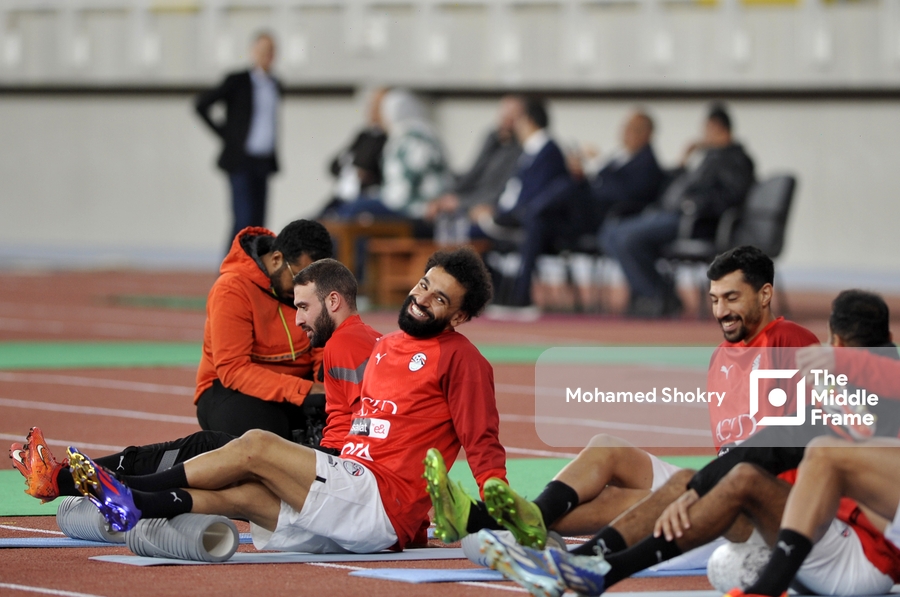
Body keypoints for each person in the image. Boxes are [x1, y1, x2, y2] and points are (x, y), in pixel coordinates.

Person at [59, 248, 506, 555]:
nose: (422, 299)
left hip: (380, 501)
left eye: (439, 298)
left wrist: (498, 505)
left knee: (255, 444)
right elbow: (352, 419)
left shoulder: (463, 360)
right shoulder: (386, 345)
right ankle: (138, 506)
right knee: (247, 497)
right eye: (424, 285)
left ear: (461, 316)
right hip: (355, 494)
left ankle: (132, 493)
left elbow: (483, 444)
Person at [477, 291, 900, 597]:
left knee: (743, 478)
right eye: (716, 299)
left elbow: (778, 444)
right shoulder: (845, 387)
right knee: (690, 478)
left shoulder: (863, 391)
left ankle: (589, 563)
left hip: (859, 554)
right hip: (812, 525)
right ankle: (582, 561)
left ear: (837, 344)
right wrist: (698, 486)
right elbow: (774, 442)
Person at [425, 245, 818, 548]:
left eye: (732, 298)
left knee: (623, 502)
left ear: (766, 295)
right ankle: (524, 519)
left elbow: (805, 442)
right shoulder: (722, 357)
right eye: (715, 300)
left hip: (755, 502)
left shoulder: (791, 342)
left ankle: (482, 522)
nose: (721, 311)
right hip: (717, 481)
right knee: (605, 448)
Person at [9, 259, 380, 504]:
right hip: (345, 472)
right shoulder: (368, 341)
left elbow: (358, 431)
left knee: (217, 453)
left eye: (303, 308)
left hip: (336, 475)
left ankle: (79, 484)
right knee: (221, 467)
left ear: (333, 301)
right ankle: (76, 483)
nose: (298, 320)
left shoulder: (344, 343)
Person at [603, 103, 755, 318]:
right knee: (611, 233)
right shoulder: (711, 156)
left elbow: (730, 197)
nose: (704, 135)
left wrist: (692, 204)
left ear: (717, 127)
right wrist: (684, 162)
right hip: (673, 214)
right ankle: (656, 292)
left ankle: (657, 294)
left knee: (626, 237)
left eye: (707, 129)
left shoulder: (735, 159)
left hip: (693, 221)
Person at [195, 220, 333, 443]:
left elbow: (323, 350)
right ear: (277, 259)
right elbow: (233, 370)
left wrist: (327, 389)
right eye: (299, 279)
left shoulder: (311, 285)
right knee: (269, 444)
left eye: (316, 283)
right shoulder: (231, 289)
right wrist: (305, 391)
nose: (306, 291)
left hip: (299, 389)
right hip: (232, 390)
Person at [470, 96, 570, 310]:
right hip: (513, 215)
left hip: (534, 221)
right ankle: (496, 290)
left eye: (519, 120)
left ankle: (518, 297)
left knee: (483, 230)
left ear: (529, 121)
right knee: (469, 237)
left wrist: (499, 214)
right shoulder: (529, 150)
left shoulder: (549, 151)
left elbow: (536, 197)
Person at [195, 32, 282, 249]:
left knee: (259, 225)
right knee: (243, 221)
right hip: (241, 161)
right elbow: (202, 105)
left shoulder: (275, 84)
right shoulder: (238, 81)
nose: (266, 56)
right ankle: (228, 274)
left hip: (263, 161)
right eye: (262, 51)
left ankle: (253, 275)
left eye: (270, 51)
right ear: (253, 52)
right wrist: (227, 136)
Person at [424, 95, 525, 233]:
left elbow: (499, 191)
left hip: (485, 209)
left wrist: (461, 203)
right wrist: (445, 197)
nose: (505, 121)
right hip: (468, 203)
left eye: (511, 116)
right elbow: (472, 174)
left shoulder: (521, 151)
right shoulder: (493, 140)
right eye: (503, 114)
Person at [320, 87, 389, 216]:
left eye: (377, 107)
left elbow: (367, 166)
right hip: (342, 196)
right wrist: (352, 169)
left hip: (367, 199)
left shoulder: (388, 139)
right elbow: (334, 166)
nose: (371, 111)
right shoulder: (364, 135)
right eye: (371, 105)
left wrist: (356, 168)